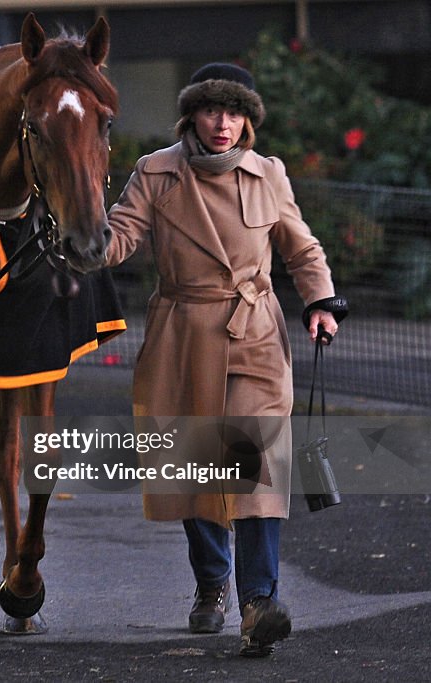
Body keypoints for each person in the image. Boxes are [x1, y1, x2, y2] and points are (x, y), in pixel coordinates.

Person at [105, 63, 347, 657]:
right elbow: (118, 239)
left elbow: (300, 245)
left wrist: (319, 301)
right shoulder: (155, 172)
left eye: (236, 113)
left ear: (248, 122)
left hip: (255, 333)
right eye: (214, 110)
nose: (224, 123)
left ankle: (257, 603)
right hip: (183, 336)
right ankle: (211, 582)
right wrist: (77, 235)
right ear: (193, 114)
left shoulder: (268, 174)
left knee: (255, 462)